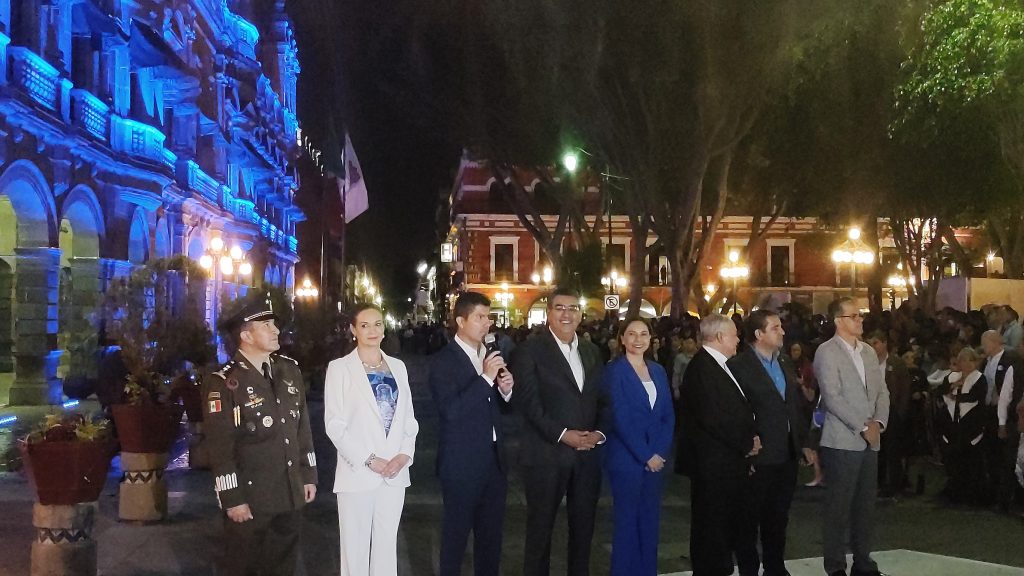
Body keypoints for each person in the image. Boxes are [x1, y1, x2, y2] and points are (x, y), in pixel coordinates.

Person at [204, 298, 318, 576]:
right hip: (251, 497)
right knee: (244, 566)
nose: (275, 329)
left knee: (283, 565)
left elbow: (301, 427)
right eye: (265, 325)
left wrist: (309, 473)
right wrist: (232, 497)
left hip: (289, 491)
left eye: (274, 323)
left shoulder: (288, 370)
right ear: (246, 336)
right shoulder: (224, 382)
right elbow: (221, 447)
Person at [510, 287, 606, 576]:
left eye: (573, 308)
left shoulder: (592, 351)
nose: (567, 314)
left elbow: (601, 399)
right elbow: (528, 404)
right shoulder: (529, 350)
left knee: (583, 529)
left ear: (581, 314)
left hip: (586, 456)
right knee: (540, 531)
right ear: (549, 313)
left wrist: (599, 433)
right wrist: (563, 434)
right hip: (546, 454)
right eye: (560, 308)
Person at [324, 303, 419, 576]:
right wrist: (368, 459)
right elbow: (335, 425)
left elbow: (408, 420)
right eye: (364, 325)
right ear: (353, 330)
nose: (372, 331)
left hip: (394, 472)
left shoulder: (398, 367)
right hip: (358, 472)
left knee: (387, 546)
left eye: (377, 324)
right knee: (354, 548)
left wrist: (404, 455)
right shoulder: (340, 369)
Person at [429, 292, 515, 576]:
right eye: (479, 317)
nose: (486, 324)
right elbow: (451, 411)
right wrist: (486, 379)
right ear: (460, 321)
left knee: (491, 540)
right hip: (461, 464)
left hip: (494, 462)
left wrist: (505, 391)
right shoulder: (444, 361)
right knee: (455, 538)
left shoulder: (489, 357)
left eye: (488, 318)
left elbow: (497, 408)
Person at [728, 310, 812, 576]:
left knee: (778, 517)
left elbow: (794, 405)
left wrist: (803, 442)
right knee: (748, 519)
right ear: (758, 334)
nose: (783, 332)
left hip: (786, 453)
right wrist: (745, 449)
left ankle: (775, 567)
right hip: (759, 455)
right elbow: (736, 412)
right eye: (776, 328)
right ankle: (749, 568)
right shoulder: (739, 367)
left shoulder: (784, 362)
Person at [678, 313, 760, 576]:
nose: (738, 339)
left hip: (727, 463)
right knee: (711, 529)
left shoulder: (720, 365)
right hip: (714, 466)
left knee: (724, 527)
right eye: (735, 334)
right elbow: (715, 417)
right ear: (721, 336)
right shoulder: (703, 368)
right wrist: (747, 443)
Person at [813, 297, 889, 576]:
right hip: (842, 441)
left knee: (865, 506)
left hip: (871, 439)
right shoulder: (827, 352)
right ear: (838, 321)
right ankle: (835, 566)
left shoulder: (868, 352)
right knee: (838, 507)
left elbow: (882, 392)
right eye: (854, 316)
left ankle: (863, 562)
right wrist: (862, 426)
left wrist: (878, 423)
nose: (860, 320)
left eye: (861, 315)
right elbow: (831, 397)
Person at [603, 318, 674, 576]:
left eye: (643, 334)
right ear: (622, 339)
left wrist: (660, 452)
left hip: (656, 458)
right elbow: (620, 418)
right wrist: (645, 455)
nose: (637, 339)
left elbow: (668, 414)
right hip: (626, 458)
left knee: (649, 522)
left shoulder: (658, 370)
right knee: (626, 523)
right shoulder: (614, 371)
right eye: (631, 334)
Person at [935, 347, 988, 504]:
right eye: (963, 360)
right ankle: (954, 491)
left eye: (969, 360)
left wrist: (956, 396)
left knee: (970, 459)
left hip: (970, 424)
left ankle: (971, 494)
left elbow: (977, 396)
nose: (966, 364)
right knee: (953, 458)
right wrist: (953, 387)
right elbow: (941, 391)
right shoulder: (952, 377)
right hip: (952, 424)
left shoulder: (979, 378)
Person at [865, 330, 912, 496]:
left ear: (885, 343)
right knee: (877, 448)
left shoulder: (896, 363)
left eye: (876, 343)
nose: (873, 347)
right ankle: (878, 482)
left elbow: (904, 389)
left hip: (892, 411)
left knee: (893, 450)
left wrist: (900, 412)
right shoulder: (867, 363)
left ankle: (894, 484)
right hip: (873, 412)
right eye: (870, 343)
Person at [981, 329, 1022, 511]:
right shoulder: (988, 362)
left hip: (1010, 415)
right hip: (995, 413)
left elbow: (1005, 394)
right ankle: (996, 494)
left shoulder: (1009, 362)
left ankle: (1008, 497)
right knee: (996, 455)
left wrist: (1003, 421)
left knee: (1009, 458)